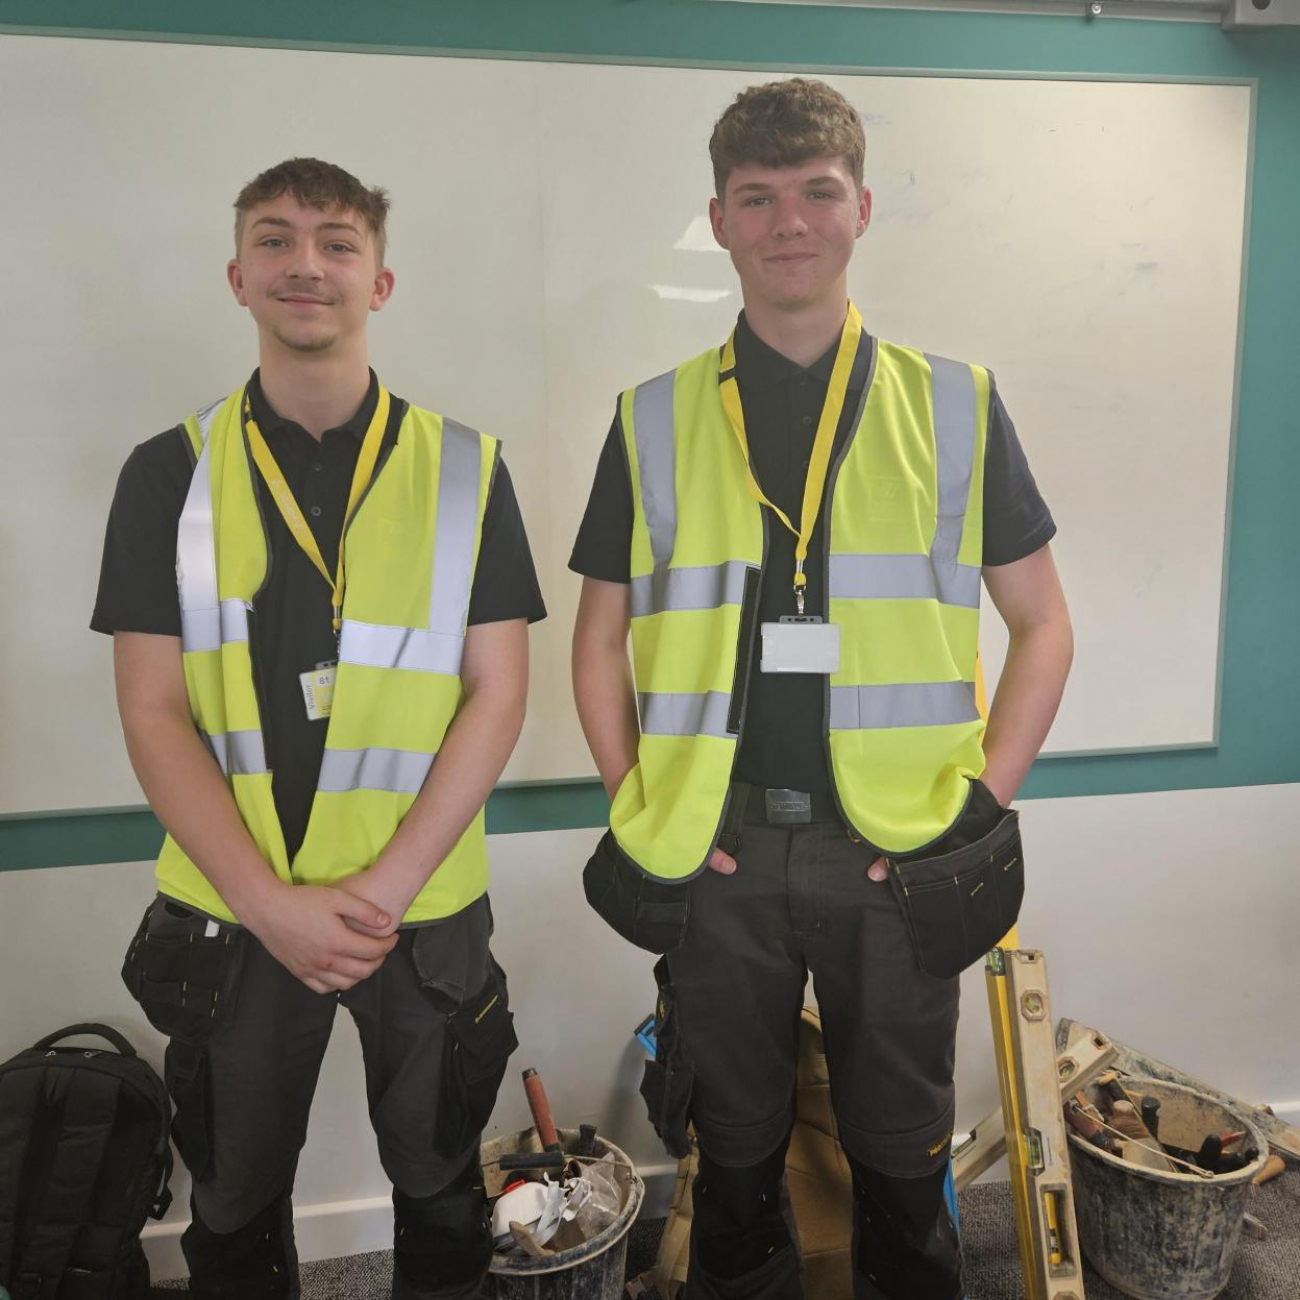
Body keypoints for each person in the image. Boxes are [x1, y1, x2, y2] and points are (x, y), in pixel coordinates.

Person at [571, 79, 1073, 1300]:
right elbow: (596, 643)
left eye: (814, 192)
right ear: (719, 220)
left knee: (902, 1155)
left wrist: (974, 809)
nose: (787, 221)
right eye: (756, 197)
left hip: (895, 858)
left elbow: (1043, 624)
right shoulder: (650, 419)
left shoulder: (953, 404)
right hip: (721, 855)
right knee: (732, 1152)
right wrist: (645, 805)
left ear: (860, 208)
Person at [93, 157, 545, 1300]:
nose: (306, 263)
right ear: (237, 274)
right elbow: (151, 709)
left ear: (378, 282)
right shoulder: (167, 473)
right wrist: (268, 904)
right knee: (234, 1200)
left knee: (439, 1187)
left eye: (337, 242)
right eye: (276, 238)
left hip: (419, 911)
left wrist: (383, 889)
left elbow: (498, 693)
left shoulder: (467, 470)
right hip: (235, 913)